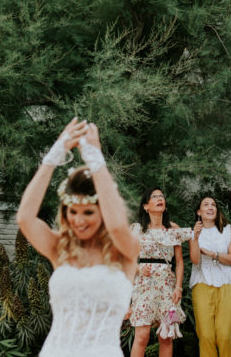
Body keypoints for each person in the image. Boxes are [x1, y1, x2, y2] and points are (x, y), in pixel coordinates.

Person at [16, 117, 140, 357]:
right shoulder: (59, 248)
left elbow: (115, 226)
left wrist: (96, 160)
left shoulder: (126, 250)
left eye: (89, 212)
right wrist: (54, 155)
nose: (79, 220)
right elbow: (25, 219)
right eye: (73, 211)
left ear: (103, 211)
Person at [130, 188, 190, 357]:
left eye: (162, 196)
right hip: (143, 286)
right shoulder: (136, 229)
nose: (159, 199)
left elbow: (179, 262)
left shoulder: (173, 228)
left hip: (167, 287)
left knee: (166, 336)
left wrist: (178, 287)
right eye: (154, 196)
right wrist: (139, 269)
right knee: (141, 337)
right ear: (145, 206)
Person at [189, 195, 231, 357]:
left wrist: (213, 254)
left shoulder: (227, 230)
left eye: (213, 205)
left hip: (228, 283)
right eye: (206, 205)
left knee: (225, 335)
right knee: (206, 336)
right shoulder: (193, 233)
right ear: (199, 211)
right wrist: (195, 238)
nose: (210, 207)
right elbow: (195, 259)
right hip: (202, 283)